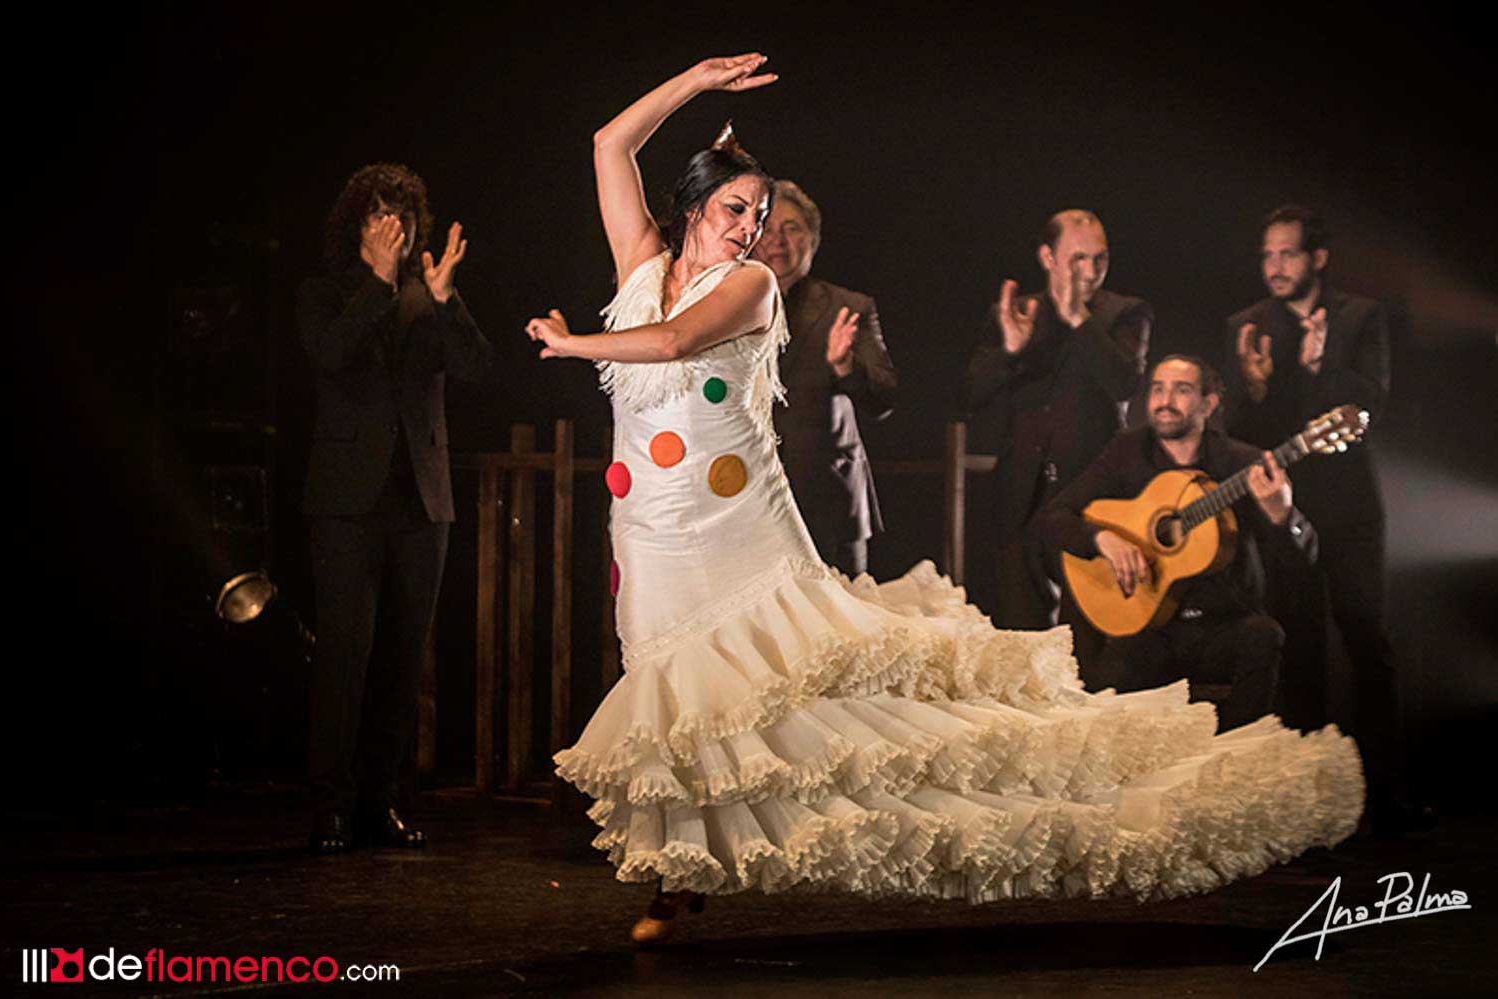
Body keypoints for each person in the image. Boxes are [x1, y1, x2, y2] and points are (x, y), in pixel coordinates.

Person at [525, 55, 1362, 946]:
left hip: (736, 530)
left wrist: (575, 345)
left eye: (762, 216)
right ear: (693, 204)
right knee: (678, 695)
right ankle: (680, 871)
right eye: (737, 210)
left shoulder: (753, 285)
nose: (752, 230)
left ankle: (1098, 801)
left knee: (818, 695)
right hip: (649, 527)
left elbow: (675, 341)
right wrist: (695, 81)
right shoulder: (641, 266)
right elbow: (609, 144)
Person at [297, 163, 494, 853]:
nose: (395, 226)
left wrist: (446, 300)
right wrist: (379, 283)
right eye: (381, 213)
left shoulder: (425, 292)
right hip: (347, 500)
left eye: (404, 214)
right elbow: (331, 355)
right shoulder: (325, 293)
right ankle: (330, 804)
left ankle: (378, 802)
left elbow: (476, 369)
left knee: (403, 661)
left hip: (421, 498)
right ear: (358, 223)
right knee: (344, 655)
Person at [1223, 204, 1425, 836]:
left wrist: (1319, 368)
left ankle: (1385, 796)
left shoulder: (1361, 317)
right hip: (1282, 506)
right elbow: (1239, 433)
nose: (1275, 266)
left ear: (1317, 258)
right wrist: (1255, 387)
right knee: (1298, 642)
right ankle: (1305, 804)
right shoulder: (1246, 326)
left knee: (1366, 637)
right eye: (1268, 255)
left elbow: (1370, 407)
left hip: (1351, 504)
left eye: (1288, 253)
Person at [1039, 357, 1316, 732]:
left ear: (1209, 404)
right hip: (1149, 628)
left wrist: (1282, 515)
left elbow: (1302, 561)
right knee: (1104, 694)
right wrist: (1103, 539)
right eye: (1158, 389)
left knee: (1264, 637)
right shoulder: (1127, 451)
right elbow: (1055, 517)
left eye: (1181, 390)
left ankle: (1237, 752)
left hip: (1221, 623)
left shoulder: (1244, 464)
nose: (1165, 401)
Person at [960, 212, 1152, 675]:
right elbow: (971, 393)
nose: (1090, 271)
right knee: (1022, 641)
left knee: (1084, 645)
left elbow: (1124, 382)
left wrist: (1078, 319)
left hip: (1091, 499)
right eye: (1078, 259)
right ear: (1047, 257)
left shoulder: (1126, 313)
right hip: (1021, 495)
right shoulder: (1017, 311)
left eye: (1100, 259)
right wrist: (1011, 351)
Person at [750, 179, 897, 577]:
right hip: (748, 498)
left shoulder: (848, 307)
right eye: (767, 228)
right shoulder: (727, 306)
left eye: (792, 228)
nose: (778, 240)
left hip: (828, 499)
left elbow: (884, 399)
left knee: (841, 614)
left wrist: (845, 366)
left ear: (812, 240)